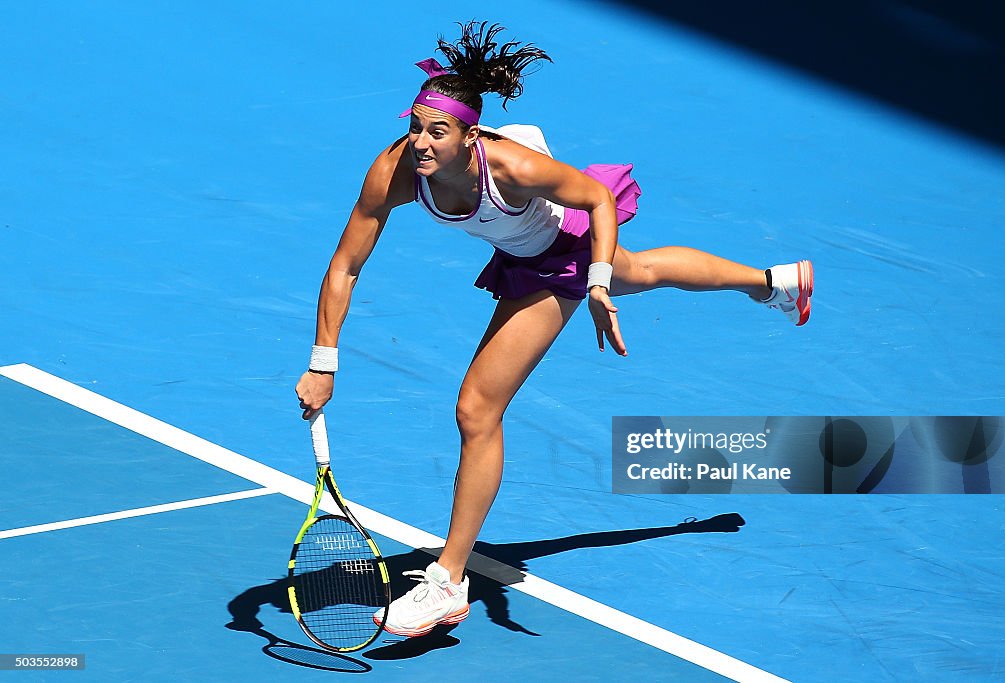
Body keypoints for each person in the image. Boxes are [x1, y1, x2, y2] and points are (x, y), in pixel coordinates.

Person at [294, 21, 813, 638]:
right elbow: (345, 264)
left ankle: (447, 580)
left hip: (561, 246)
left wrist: (593, 282)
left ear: (470, 136)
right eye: (416, 127)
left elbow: (597, 198)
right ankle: (776, 282)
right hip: (519, 247)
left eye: (439, 133)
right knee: (643, 271)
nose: (422, 143)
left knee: (477, 409)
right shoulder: (397, 170)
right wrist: (323, 360)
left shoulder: (512, 168)